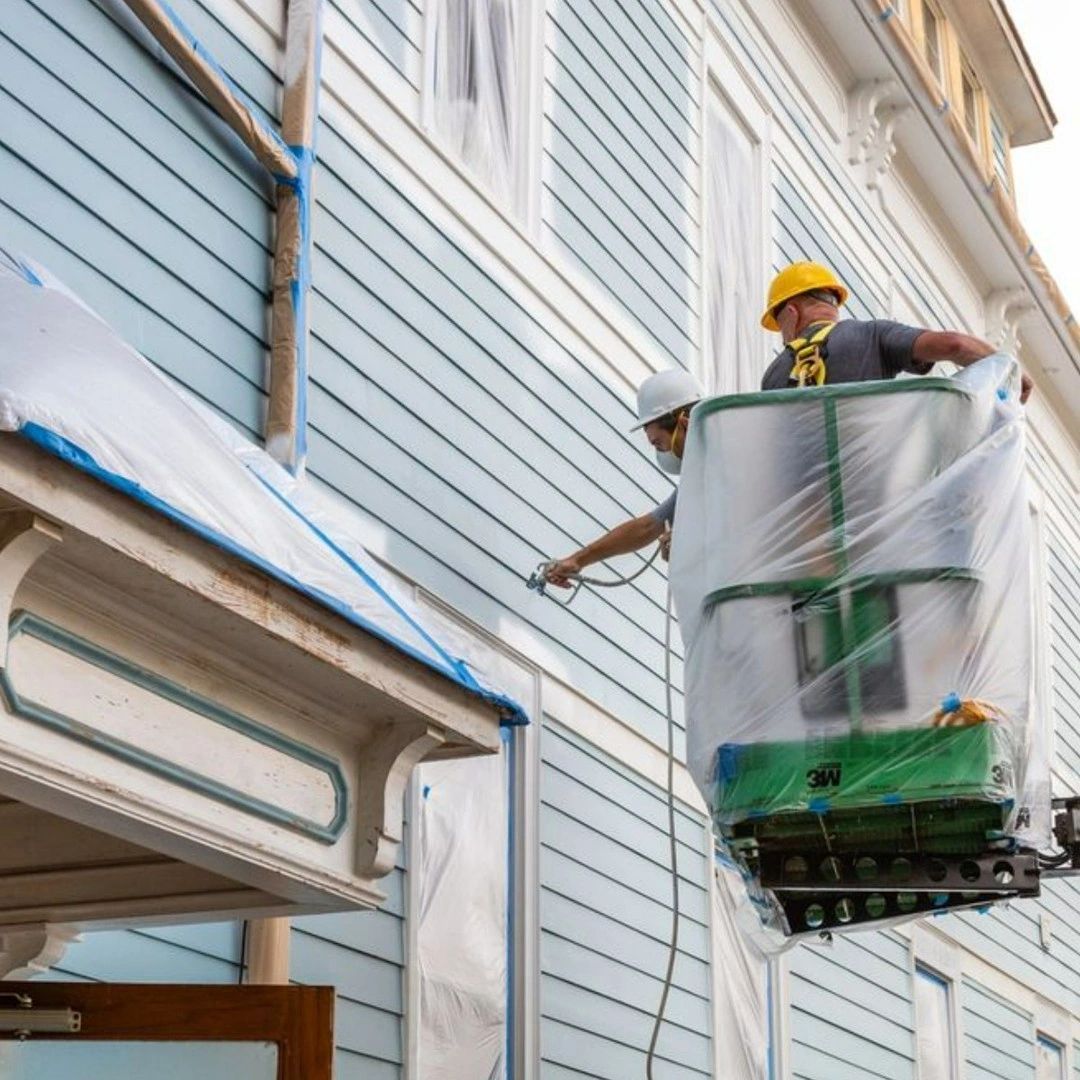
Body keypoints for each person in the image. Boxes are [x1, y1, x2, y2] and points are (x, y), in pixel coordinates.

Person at [759, 261, 1033, 401]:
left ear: (791, 313)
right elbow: (954, 345)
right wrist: (1006, 369)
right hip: (873, 496)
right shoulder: (870, 336)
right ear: (833, 303)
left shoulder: (774, 376)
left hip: (809, 503)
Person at [544, 367, 702, 588]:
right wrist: (577, 560)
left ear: (684, 424)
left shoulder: (731, 457)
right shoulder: (698, 479)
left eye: (658, 442)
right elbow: (646, 528)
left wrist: (692, 541)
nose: (662, 451)